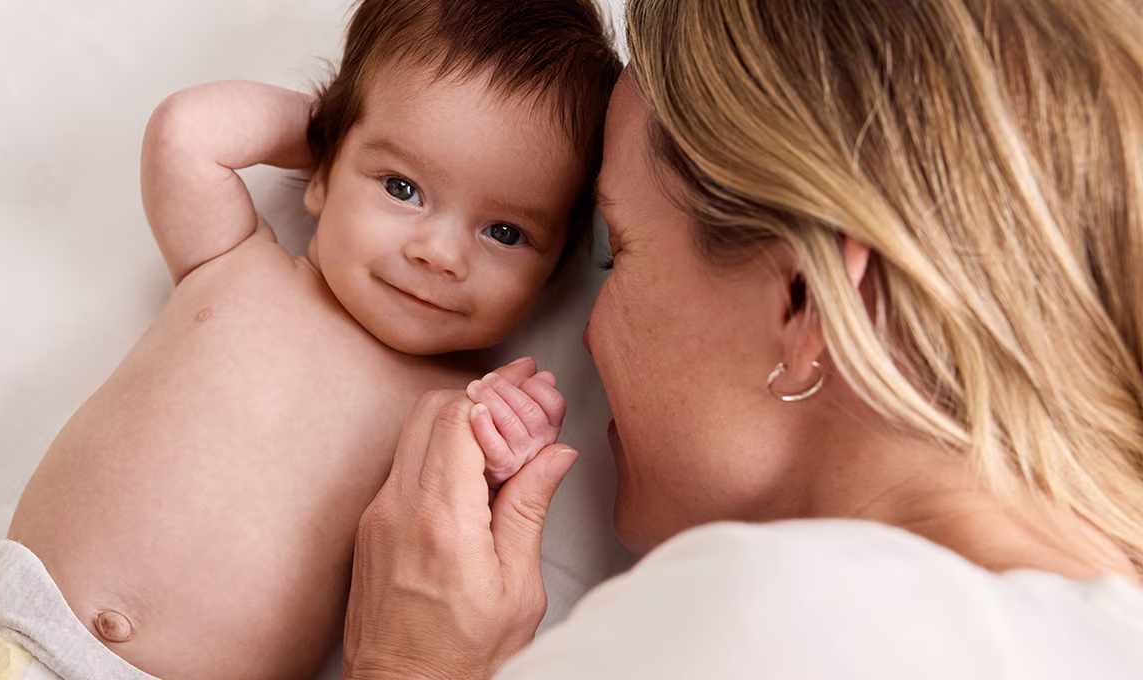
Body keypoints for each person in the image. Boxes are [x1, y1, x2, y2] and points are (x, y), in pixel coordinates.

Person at [340, 0, 1143, 677]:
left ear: (804, 299)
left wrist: (409, 659)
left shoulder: (764, 620)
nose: (583, 332)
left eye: (618, 250)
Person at [0, 1, 621, 679]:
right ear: (321, 169)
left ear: (555, 268)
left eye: (505, 232)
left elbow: (449, 555)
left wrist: (505, 442)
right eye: (403, 187)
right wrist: (333, 126)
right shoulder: (237, 263)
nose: (439, 253)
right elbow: (186, 134)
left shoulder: (447, 415)